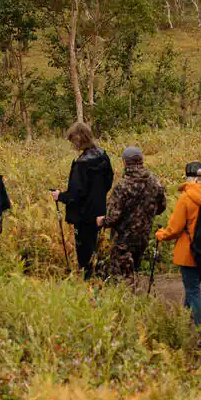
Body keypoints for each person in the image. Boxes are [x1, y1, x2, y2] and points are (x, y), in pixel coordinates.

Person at [155, 161, 201, 346]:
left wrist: (160, 234)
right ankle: (183, 321)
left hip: (188, 253)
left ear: (189, 178)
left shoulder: (186, 198)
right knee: (193, 288)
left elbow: (174, 229)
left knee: (193, 290)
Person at [51, 122, 113, 279]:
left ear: (79, 139)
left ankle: (89, 284)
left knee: (85, 253)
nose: (73, 145)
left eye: (73, 141)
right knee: (94, 247)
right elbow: (108, 181)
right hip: (99, 211)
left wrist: (60, 196)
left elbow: (75, 195)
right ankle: (98, 279)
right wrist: (97, 196)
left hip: (83, 216)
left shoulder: (81, 164)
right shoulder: (103, 156)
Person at [97, 146, 166, 285]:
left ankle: (127, 303)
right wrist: (146, 215)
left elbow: (112, 217)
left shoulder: (123, 186)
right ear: (141, 161)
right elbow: (161, 206)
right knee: (134, 270)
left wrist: (102, 221)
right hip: (143, 236)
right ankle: (136, 299)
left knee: (122, 277)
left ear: (124, 162)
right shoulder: (155, 183)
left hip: (123, 239)